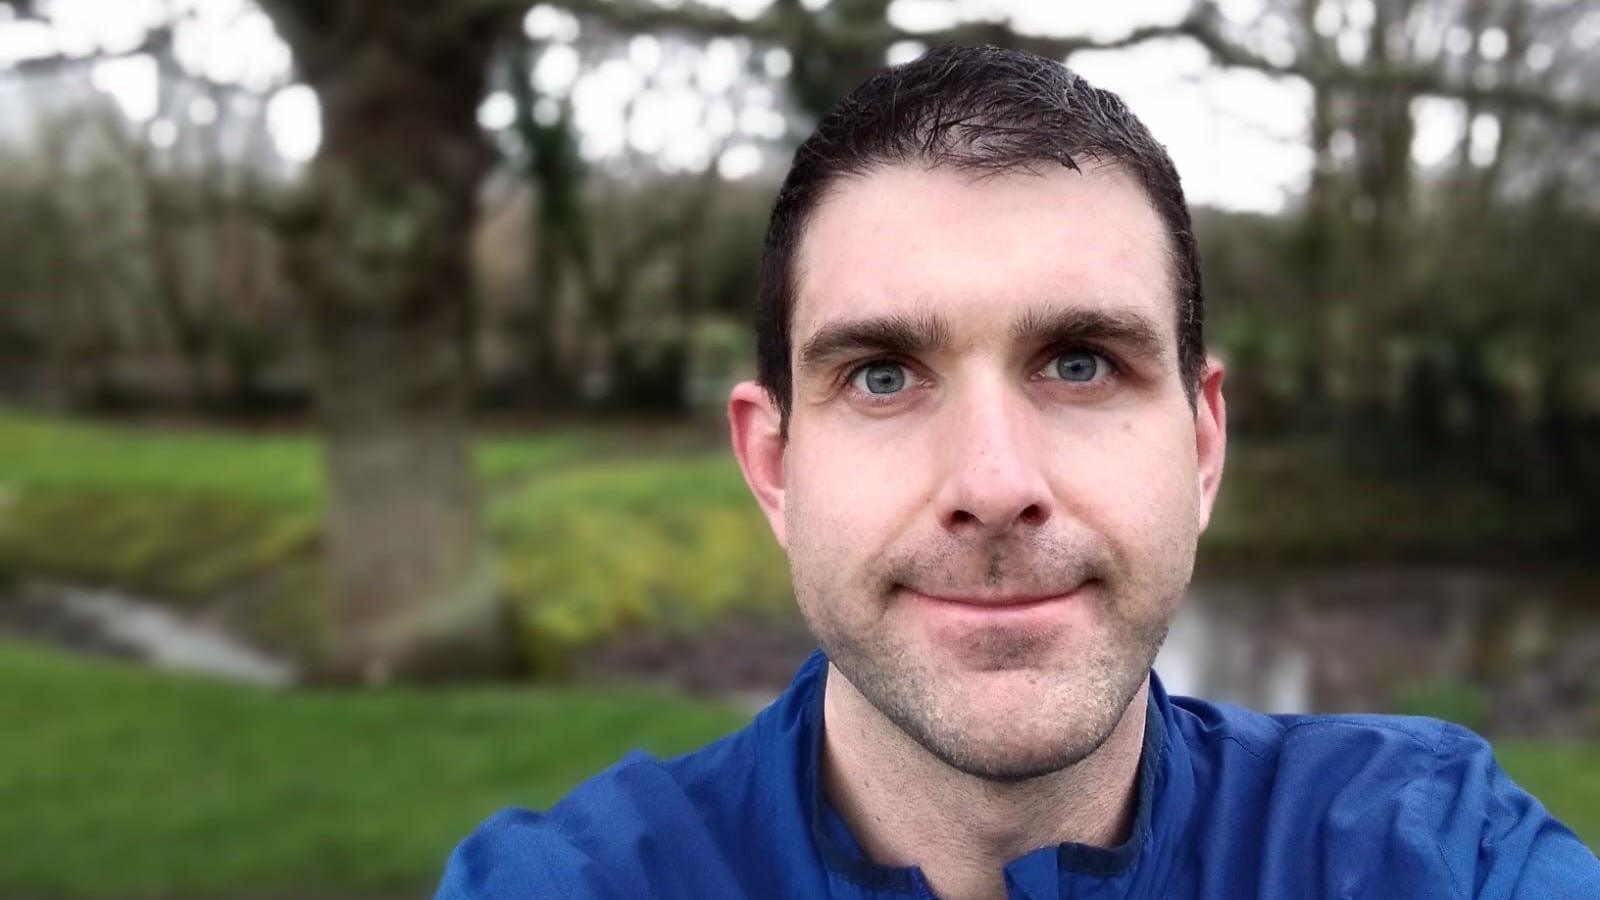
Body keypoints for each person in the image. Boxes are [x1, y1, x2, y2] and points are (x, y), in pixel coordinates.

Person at [435, 45, 1597, 899]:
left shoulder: (1428, 853)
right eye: (883, 375)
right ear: (774, 467)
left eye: (1080, 362)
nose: (992, 483)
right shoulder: (573, 885)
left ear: (1203, 445)